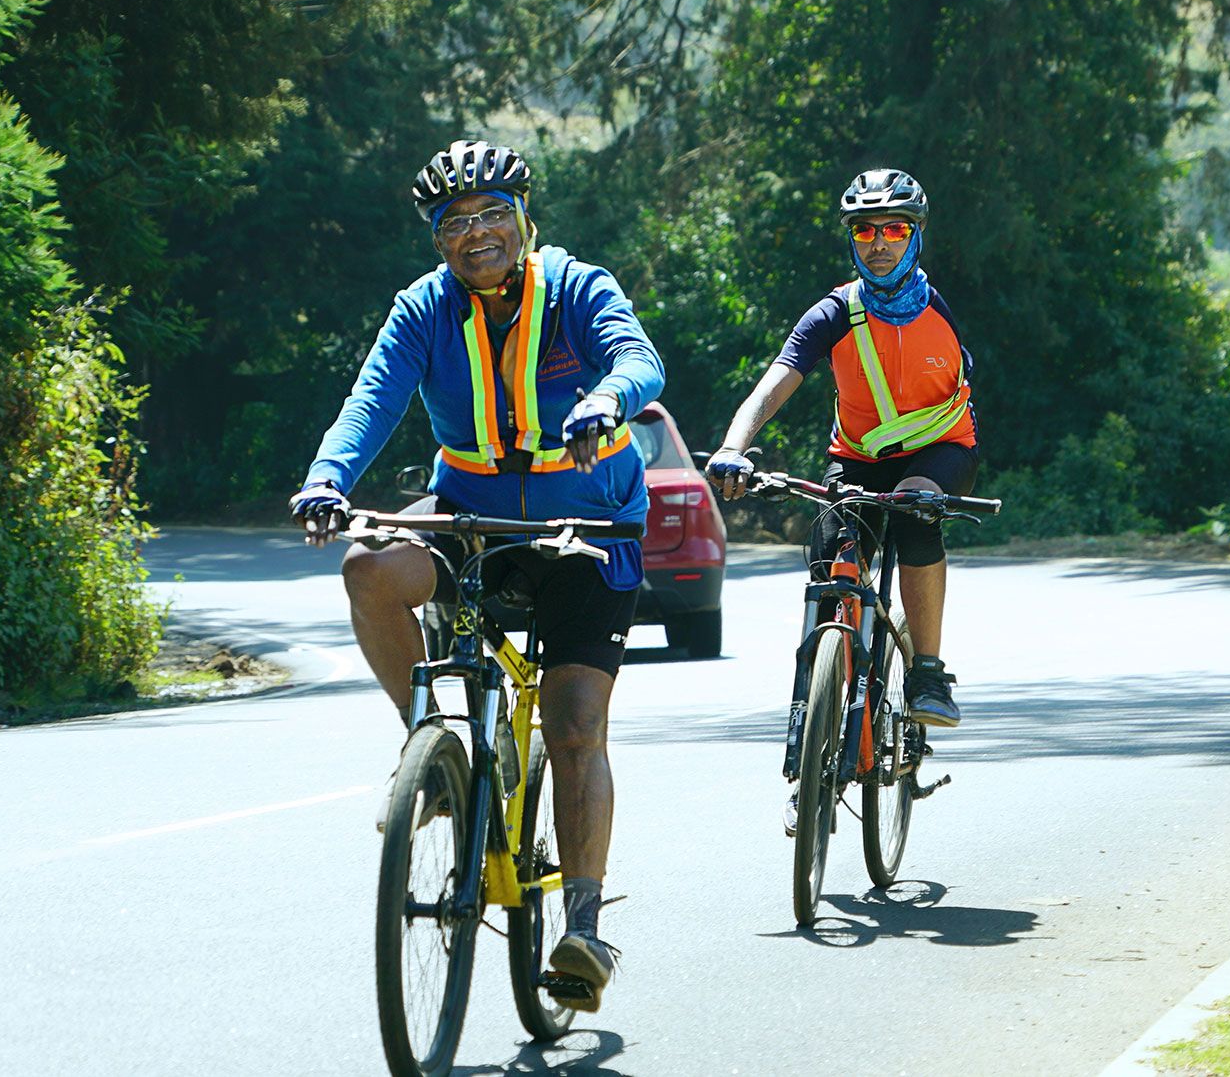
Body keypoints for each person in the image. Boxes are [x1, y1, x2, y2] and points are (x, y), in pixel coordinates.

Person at [289, 140, 662, 1009]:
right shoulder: (423, 309)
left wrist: (608, 399)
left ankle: (583, 926)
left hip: (592, 527)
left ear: (524, 220)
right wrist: (326, 479)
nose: (475, 232)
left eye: (492, 213)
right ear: (437, 242)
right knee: (369, 567)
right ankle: (429, 749)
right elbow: (372, 398)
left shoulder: (576, 289)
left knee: (574, 727)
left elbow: (638, 358)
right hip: (473, 514)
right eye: (454, 222)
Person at [706, 169, 977, 823]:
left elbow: (960, 389)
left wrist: (928, 476)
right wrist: (734, 445)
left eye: (893, 229)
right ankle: (815, 744)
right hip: (854, 460)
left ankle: (929, 671)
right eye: (865, 230)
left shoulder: (938, 311)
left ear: (915, 237)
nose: (878, 242)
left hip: (940, 453)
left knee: (915, 514)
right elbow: (775, 382)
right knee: (830, 560)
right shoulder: (835, 312)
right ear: (852, 240)